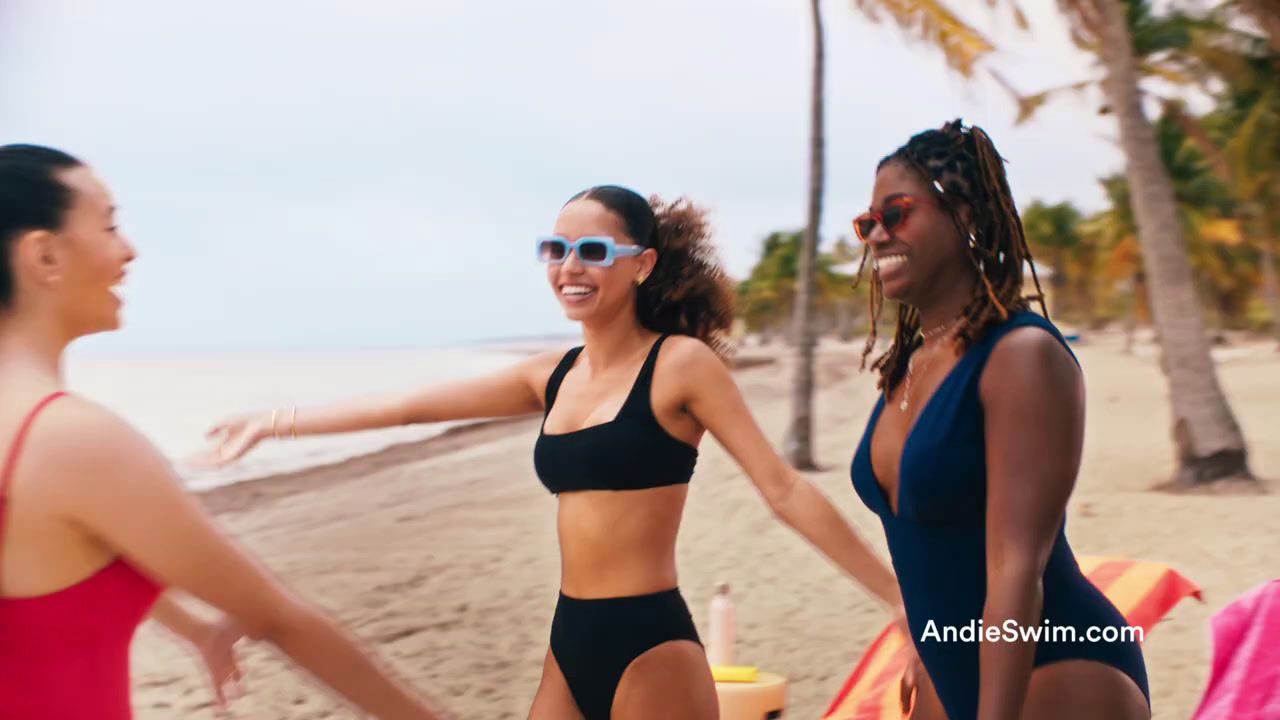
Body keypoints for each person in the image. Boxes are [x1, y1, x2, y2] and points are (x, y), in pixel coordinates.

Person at [200, 184, 909, 720]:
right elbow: (412, 406)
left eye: (594, 251)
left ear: (643, 265)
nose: (570, 266)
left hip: (650, 643)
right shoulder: (552, 374)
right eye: (556, 249)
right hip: (570, 637)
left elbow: (781, 489)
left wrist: (896, 602)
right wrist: (276, 421)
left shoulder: (681, 365)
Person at [0, 144, 450, 720]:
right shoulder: (71, 440)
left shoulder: (44, 448)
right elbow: (279, 618)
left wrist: (196, 627)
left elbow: (55, 555)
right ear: (44, 255)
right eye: (110, 225)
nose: (129, 250)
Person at [847, 120, 1150, 720]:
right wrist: (929, 649)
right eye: (867, 223)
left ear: (965, 217)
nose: (878, 235)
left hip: (1056, 664)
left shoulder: (1021, 356)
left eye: (897, 213)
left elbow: (1017, 568)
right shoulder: (908, 365)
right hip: (957, 663)